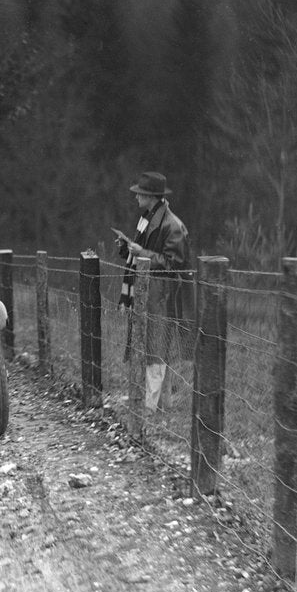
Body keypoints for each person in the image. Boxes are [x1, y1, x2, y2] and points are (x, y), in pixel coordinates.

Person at [116, 171, 189, 412]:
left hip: (160, 295)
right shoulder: (148, 218)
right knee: (144, 344)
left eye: (140, 193)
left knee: (156, 347)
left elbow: (173, 263)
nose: (136, 197)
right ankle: (148, 401)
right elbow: (145, 251)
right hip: (147, 291)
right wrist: (127, 249)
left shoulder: (172, 225)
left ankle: (151, 404)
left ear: (151, 196)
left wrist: (141, 253)